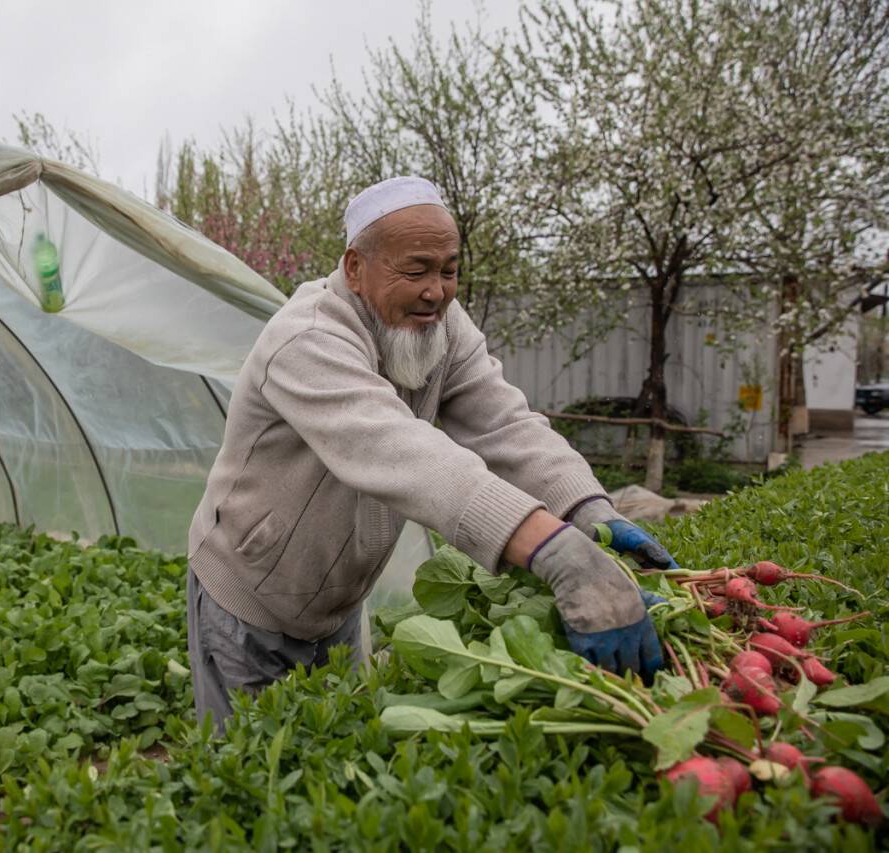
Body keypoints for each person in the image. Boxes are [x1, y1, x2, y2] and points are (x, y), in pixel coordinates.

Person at [185, 176, 678, 728]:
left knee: (326, 756)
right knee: (248, 773)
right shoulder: (306, 340)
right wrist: (556, 554)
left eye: (449, 270)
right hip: (251, 596)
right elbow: (402, 452)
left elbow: (505, 425)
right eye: (415, 270)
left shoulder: (441, 325)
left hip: (338, 600)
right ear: (355, 269)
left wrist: (587, 510)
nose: (436, 291)